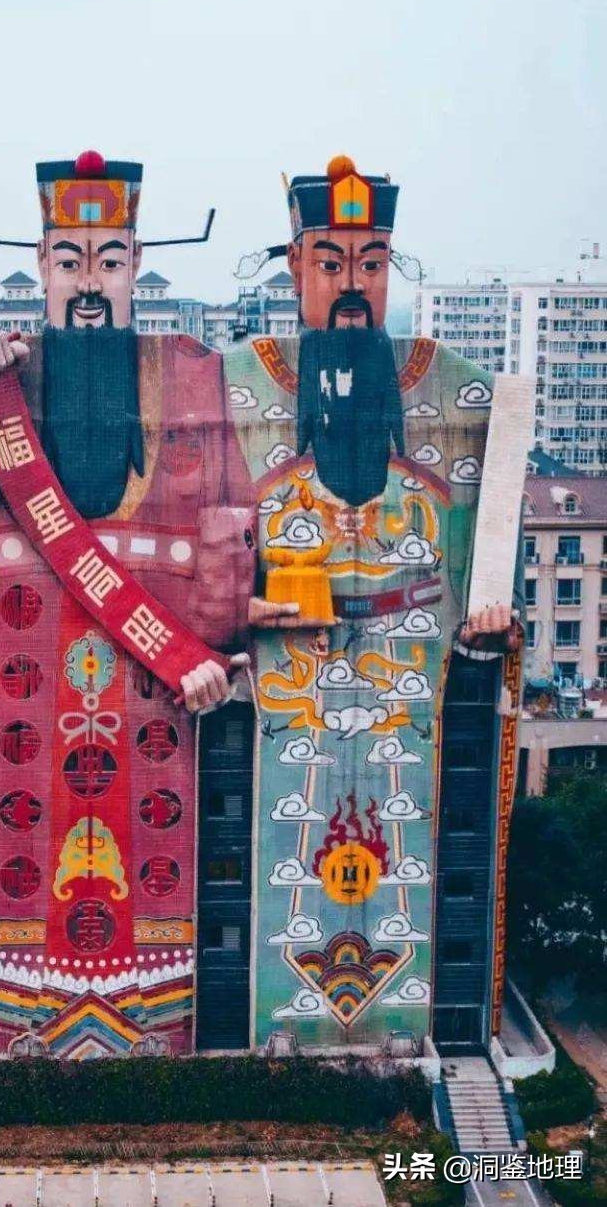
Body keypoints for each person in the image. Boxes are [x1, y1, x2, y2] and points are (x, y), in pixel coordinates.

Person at [0, 151, 289, 1056]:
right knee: (28, 857)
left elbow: (239, 516)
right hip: (29, 680)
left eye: (108, 261)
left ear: (137, 264)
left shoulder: (194, 372)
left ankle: (153, 1039)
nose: (89, 285)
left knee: (158, 862)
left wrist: (218, 626)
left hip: (156, 684)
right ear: (41, 265)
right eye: (69, 261)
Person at [225, 155, 522, 1051]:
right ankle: (281, 1026)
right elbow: (184, 526)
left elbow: (493, 513)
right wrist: (232, 599)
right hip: (288, 670)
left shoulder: (454, 386)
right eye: (330, 261)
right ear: (294, 267)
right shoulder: (233, 386)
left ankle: (408, 1023)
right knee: (287, 835)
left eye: (372, 261)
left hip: (411, 653)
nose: (352, 286)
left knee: (406, 836)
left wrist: (491, 604)